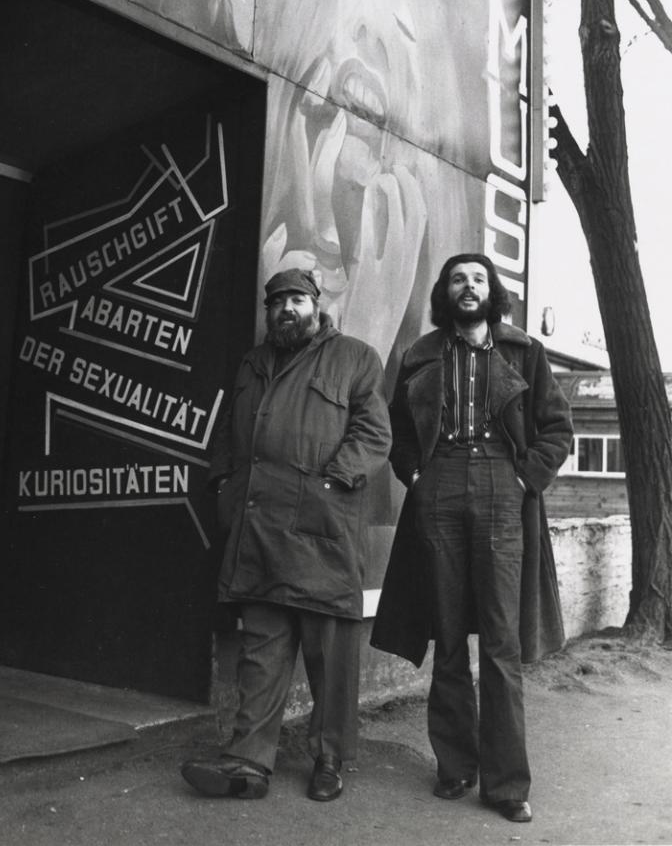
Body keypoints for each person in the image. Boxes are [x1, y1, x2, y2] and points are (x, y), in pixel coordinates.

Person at [371, 253, 573, 825]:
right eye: (458, 279)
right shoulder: (421, 355)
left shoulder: (524, 352)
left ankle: (507, 785)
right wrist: (415, 475)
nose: (468, 286)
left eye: (478, 278)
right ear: (445, 292)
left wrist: (522, 476)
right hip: (439, 485)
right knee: (449, 633)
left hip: (502, 489)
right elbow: (395, 432)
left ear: (492, 291)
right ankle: (455, 767)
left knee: (502, 643)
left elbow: (558, 428)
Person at [181, 267, 391, 802]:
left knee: (330, 661)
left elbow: (373, 433)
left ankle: (330, 760)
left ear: (316, 305)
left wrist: (332, 482)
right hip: (260, 534)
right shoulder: (252, 364)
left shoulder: (355, 358)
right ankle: (247, 764)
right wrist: (226, 485)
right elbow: (229, 433)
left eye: (296, 299)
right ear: (268, 312)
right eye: (277, 302)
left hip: (322, 535)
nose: (286, 309)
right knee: (262, 655)